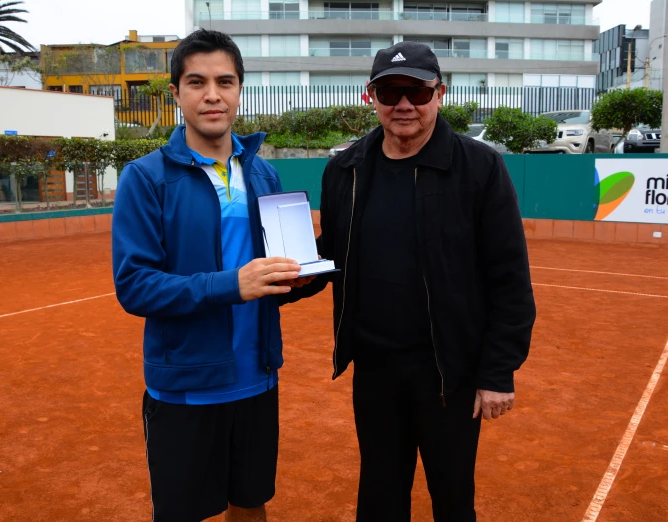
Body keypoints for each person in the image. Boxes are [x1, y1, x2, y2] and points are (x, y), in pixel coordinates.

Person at [287, 41, 536, 521]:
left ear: (439, 94)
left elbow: (509, 275)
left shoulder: (480, 167)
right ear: (370, 97)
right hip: (375, 369)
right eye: (390, 91)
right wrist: (292, 275)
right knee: (379, 496)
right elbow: (334, 251)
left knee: (452, 496)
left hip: (451, 372)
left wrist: (497, 370)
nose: (404, 104)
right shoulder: (346, 169)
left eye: (418, 92)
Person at [112, 29, 312, 522]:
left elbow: (265, 279)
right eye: (196, 82)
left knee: (250, 505)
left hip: (257, 380)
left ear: (240, 89)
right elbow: (134, 284)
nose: (212, 95)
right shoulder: (145, 177)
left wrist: (295, 280)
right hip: (185, 385)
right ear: (177, 93)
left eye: (225, 81)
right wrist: (231, 285)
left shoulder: (263, 174)